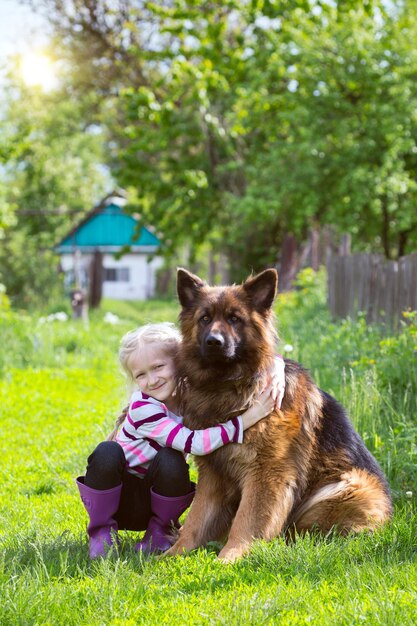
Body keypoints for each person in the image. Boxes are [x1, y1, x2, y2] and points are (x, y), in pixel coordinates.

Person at [76, 323, 285, 558]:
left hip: (157, 502)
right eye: (141, 375)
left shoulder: (189, 397)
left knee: (170, 459)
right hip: (122, 502)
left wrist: (277, 365)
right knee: (107, 452)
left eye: (158, 367)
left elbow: (255, 357)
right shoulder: (144, 409)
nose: (152, 379)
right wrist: (248, 418)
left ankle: (159, 532)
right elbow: (196, 444)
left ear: (179, 361)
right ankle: (101, 532)